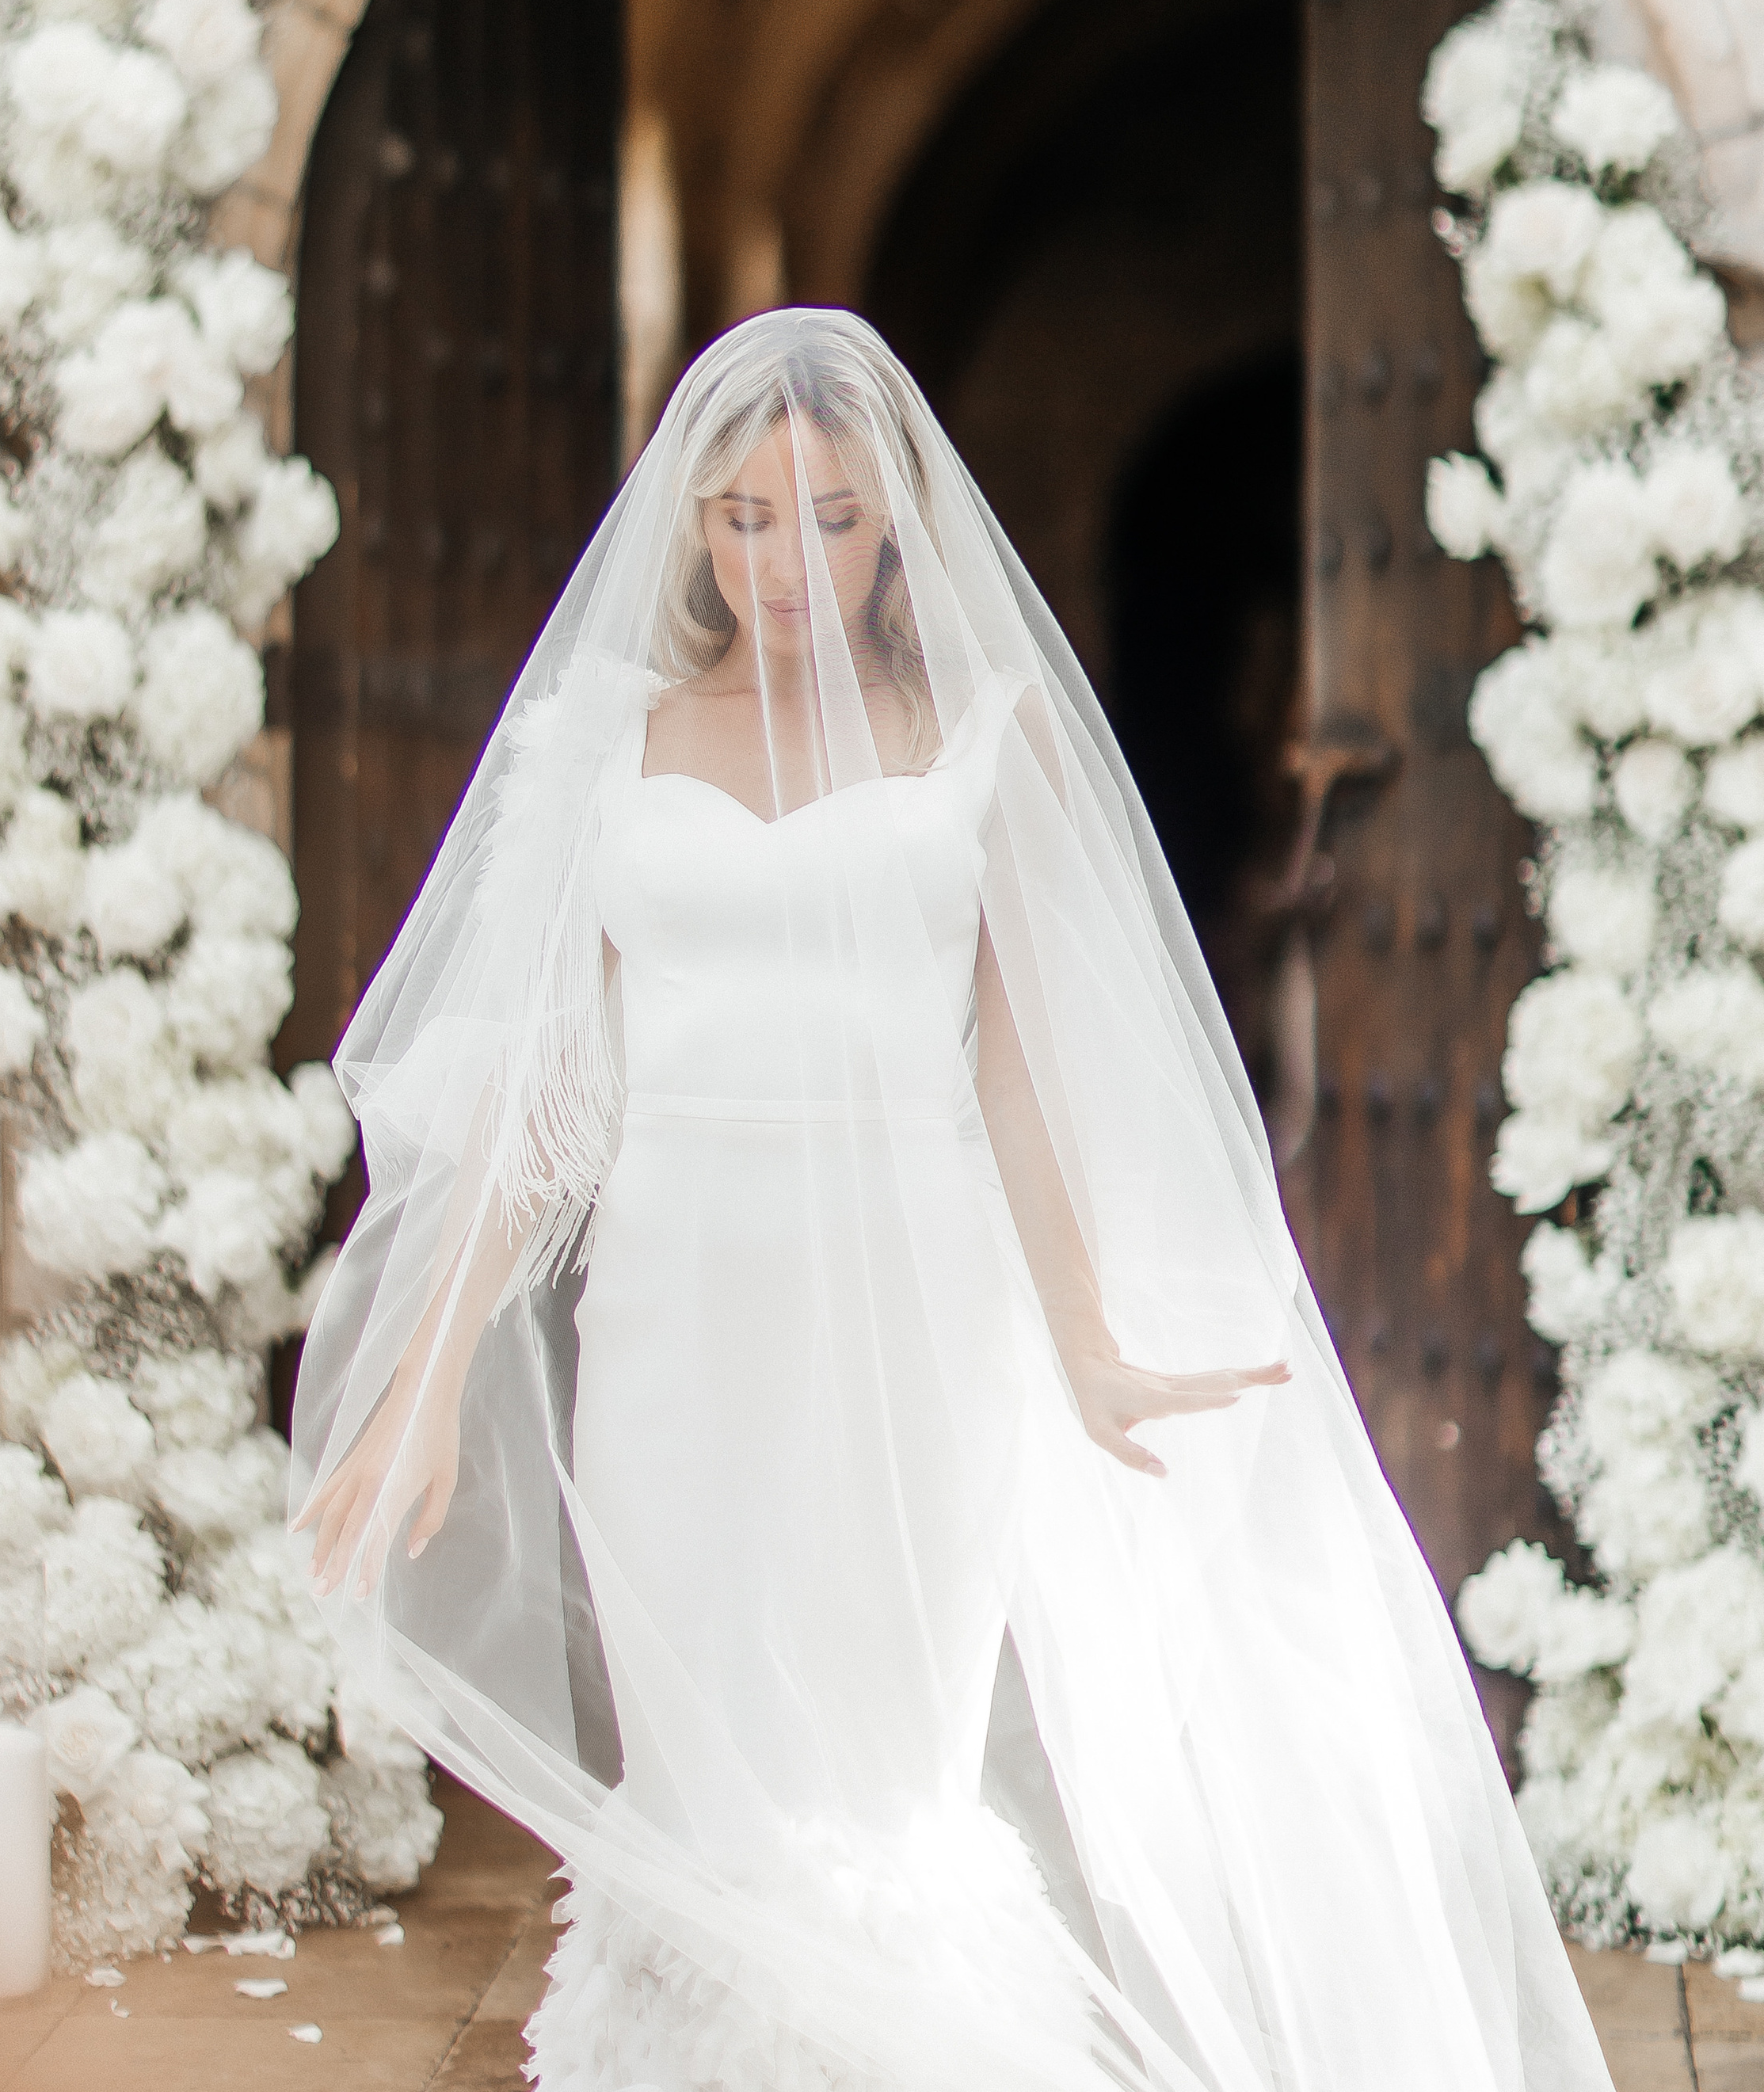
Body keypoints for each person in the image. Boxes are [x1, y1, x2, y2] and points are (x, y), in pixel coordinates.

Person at [293, 308, 1610, 2092]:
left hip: (918, 1317)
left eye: (826, 517)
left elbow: (1016, 1070)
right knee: (700, 1789)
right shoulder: (605, 742)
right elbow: (544, 1096)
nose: (781, 560)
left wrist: (1084, 1342)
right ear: (691, 523)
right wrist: (434, 1371)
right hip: (673, 1309)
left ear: (895, 518)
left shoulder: (984, 733)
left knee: (885, 1783)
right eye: (743, 517)